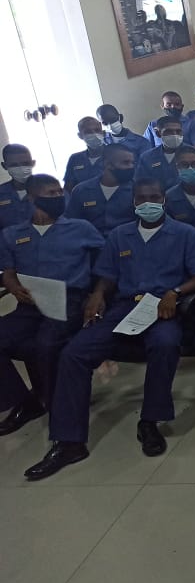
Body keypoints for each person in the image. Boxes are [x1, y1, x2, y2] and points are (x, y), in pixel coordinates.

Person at [23, 178, 195, 481]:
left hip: (164, 307)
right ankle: (70, 442)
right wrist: (98, 294)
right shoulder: (119, 236)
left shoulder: (185, 234)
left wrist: (175, 292)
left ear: (163, 199)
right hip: (123, 307)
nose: (148, 202)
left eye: (154, 196)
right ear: (134, 202)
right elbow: (107, 275)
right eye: (142, 198)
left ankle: (150, 421)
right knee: (74, 353)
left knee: (165, 344)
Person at [0, 175, 104, 435]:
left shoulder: (80, 228)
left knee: (45, 344)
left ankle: (59, 405)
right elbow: (8, 271)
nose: (59, 197)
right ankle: (26, 402)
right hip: (30, 302)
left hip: (69, 299)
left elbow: (106, 264)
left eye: (60, 192)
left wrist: (98, 294)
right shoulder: (13, 234)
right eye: (51, 193)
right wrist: (13, 286)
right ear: (33, 198)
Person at [66, 144, 138, 236]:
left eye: (133, 163)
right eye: (126, 163)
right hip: (90, 245)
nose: (131, 167)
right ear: (108, 164)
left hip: (125, 244)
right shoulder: (81, 191)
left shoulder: (137, 190)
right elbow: (72, 223)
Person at [134, 117, 195, 191]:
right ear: (158, 133)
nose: (174, 135)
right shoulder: (147, 158)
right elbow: (140, 184)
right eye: (168, 132)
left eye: (178, 131)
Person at [63, 118, 109, 192]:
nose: (94, 134)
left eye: (97, 130)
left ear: (103, 133)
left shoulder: (117, 156)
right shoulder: (75, 159)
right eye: (88, 132)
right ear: (80, 135)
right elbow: (68, 188)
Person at [0, 144, 35, 229]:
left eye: (25, 163)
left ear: (33, 163)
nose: (21, 168)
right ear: (4, 166)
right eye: (14, 165)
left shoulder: (50, 190)